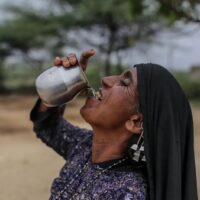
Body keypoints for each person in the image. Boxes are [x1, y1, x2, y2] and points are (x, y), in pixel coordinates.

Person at [30, 49, 198, 200]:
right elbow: (47, 127)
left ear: (135, 122)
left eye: (124, 83)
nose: (106, 80)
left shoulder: (127, 192)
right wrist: (62, 86)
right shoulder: (85, 147)